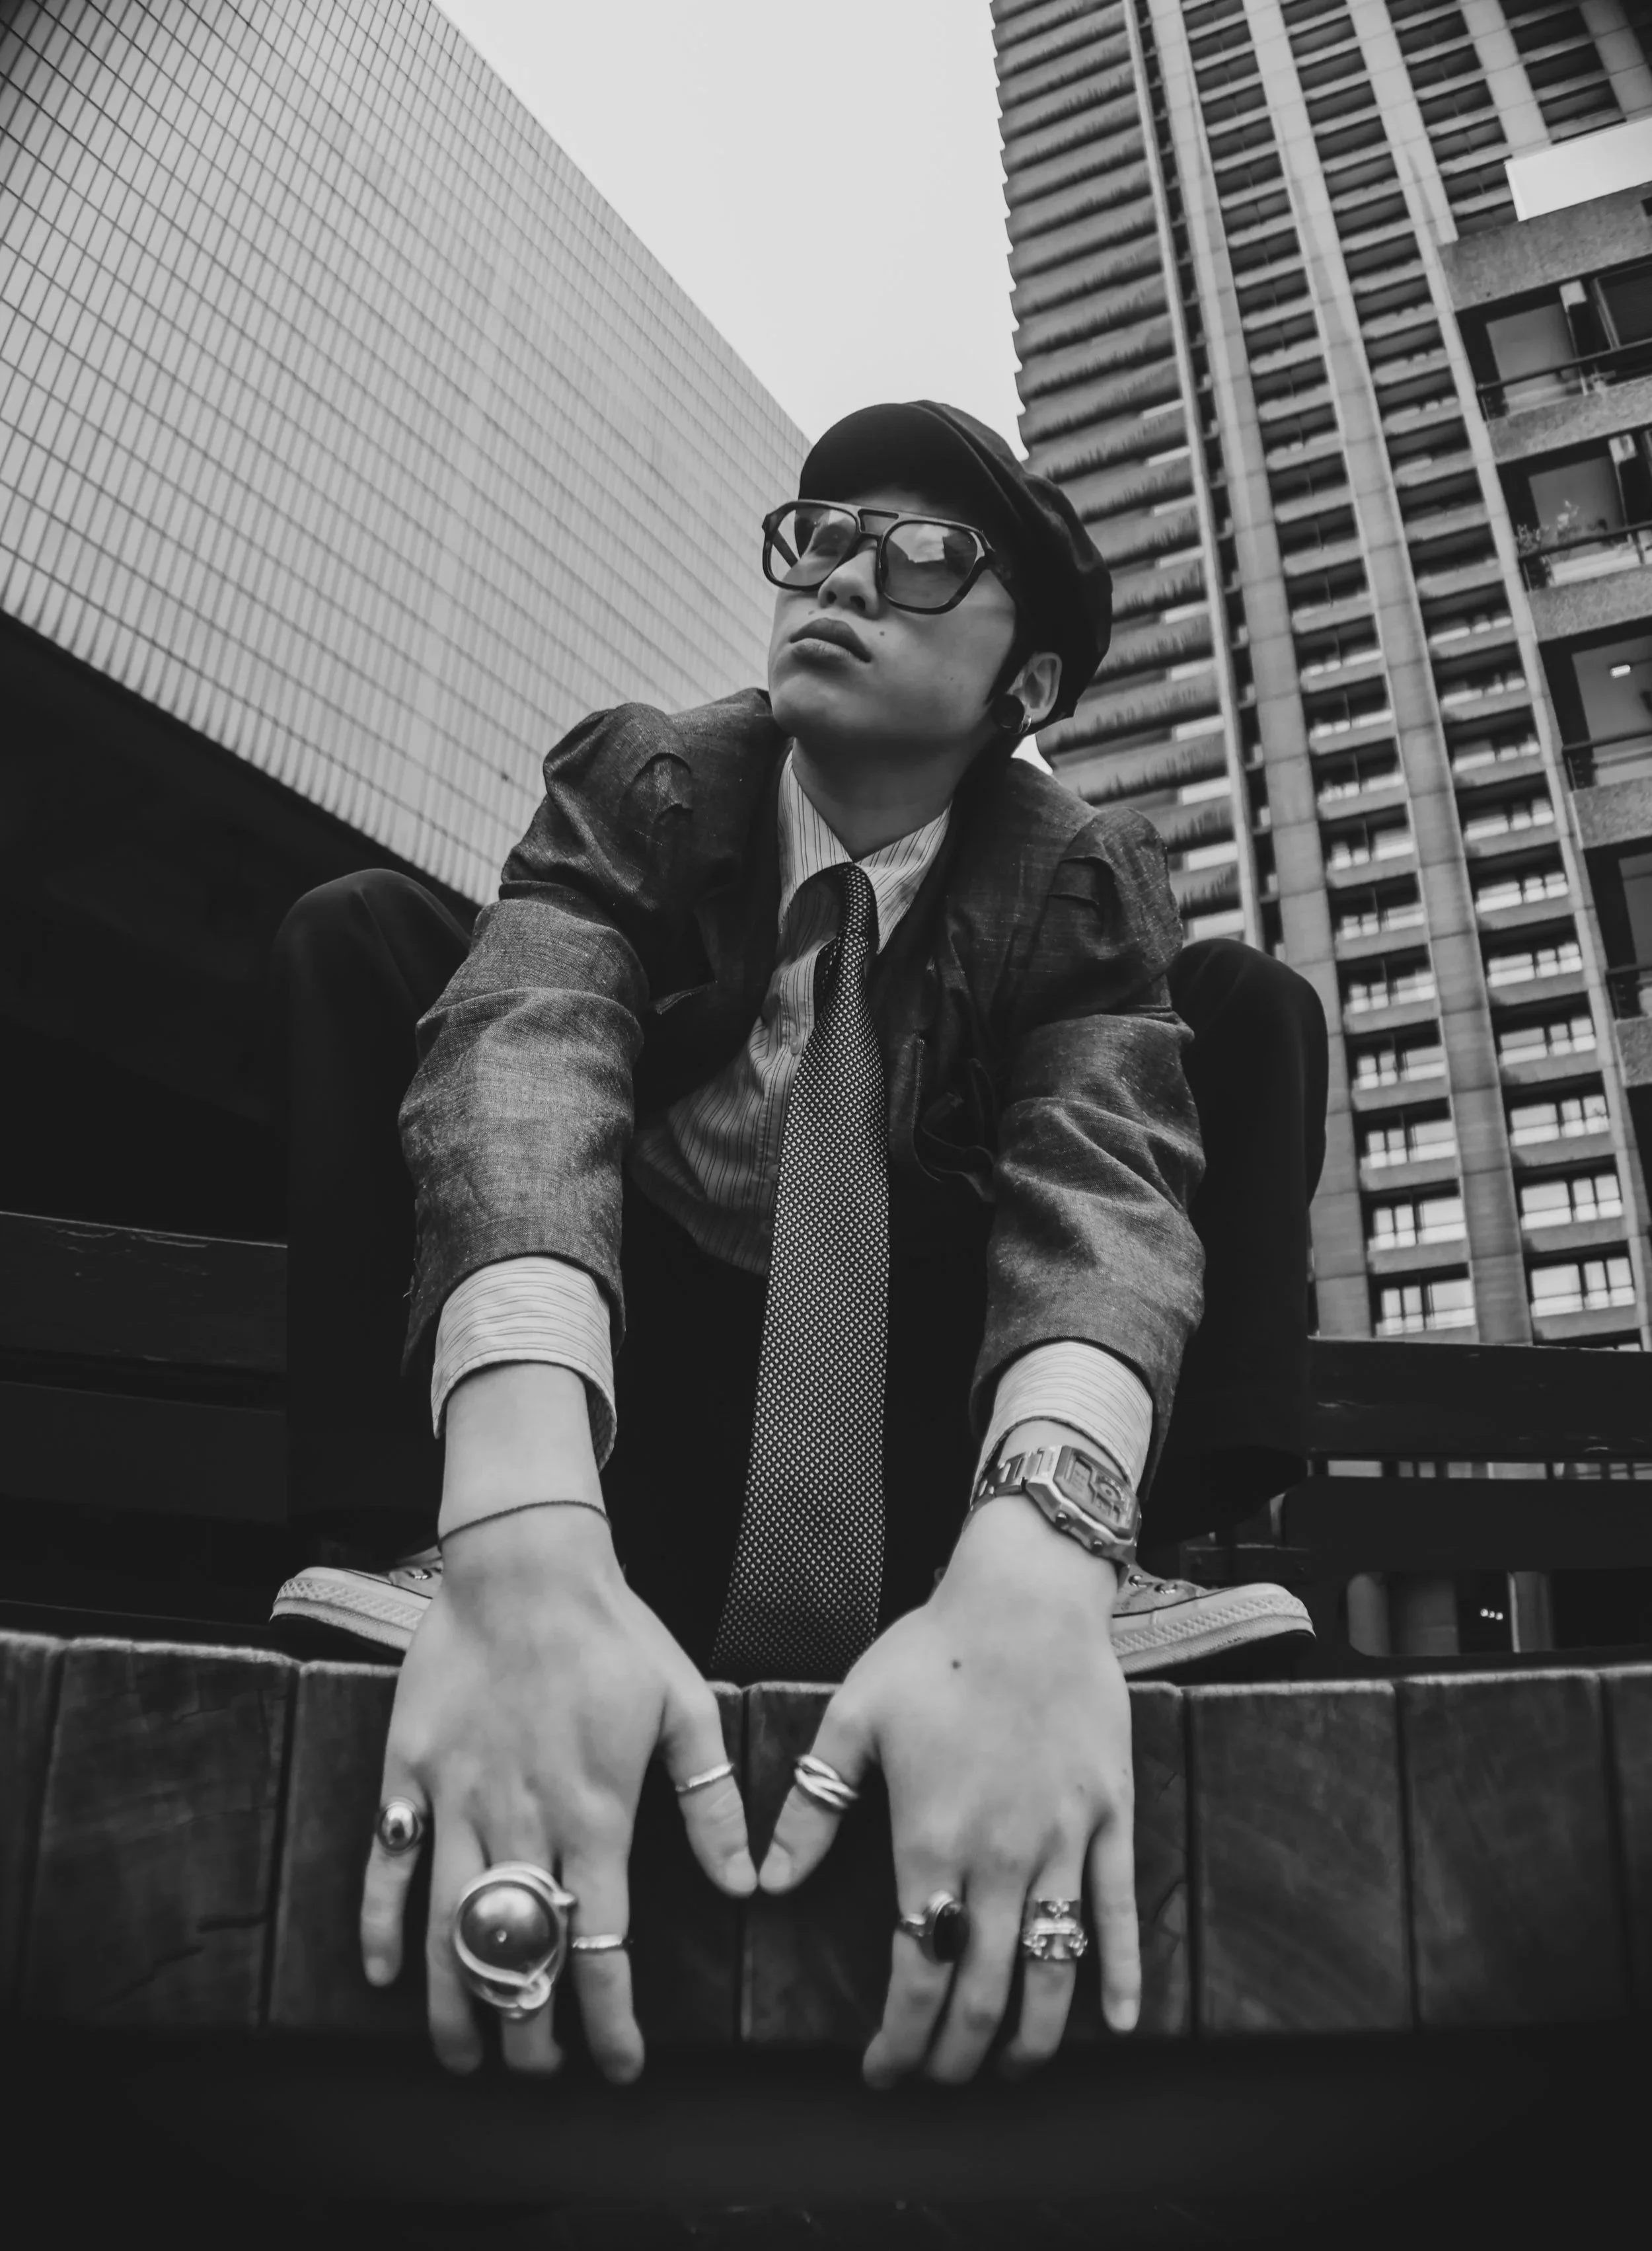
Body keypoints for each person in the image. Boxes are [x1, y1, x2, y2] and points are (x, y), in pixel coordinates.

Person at [269, 402, 1328, 2089]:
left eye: (921, 558)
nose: (842, 570)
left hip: (925, 1400)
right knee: (370, 938)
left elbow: (1099, 1178)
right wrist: (522, 1512)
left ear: (1025, 690)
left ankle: (1109, 1575)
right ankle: (417, 1550)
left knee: (1243, 1010)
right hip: (639, 1369)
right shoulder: (652, 778)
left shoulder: (1072, 876)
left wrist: (1042, 1529)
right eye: (821, 533)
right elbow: (524, 1049)